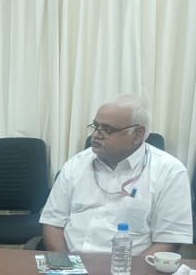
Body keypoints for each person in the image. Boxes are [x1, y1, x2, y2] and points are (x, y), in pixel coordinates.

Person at [40, 94, 192, 255]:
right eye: (95, 126)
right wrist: (66, 265)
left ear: (137, 134)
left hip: (131, 267)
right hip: (71, 264)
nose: (95, 135)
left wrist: (126, 270)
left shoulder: (170, 172)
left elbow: (169, 241)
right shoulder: (76, 164)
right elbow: (52, 223)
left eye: (107, 130)